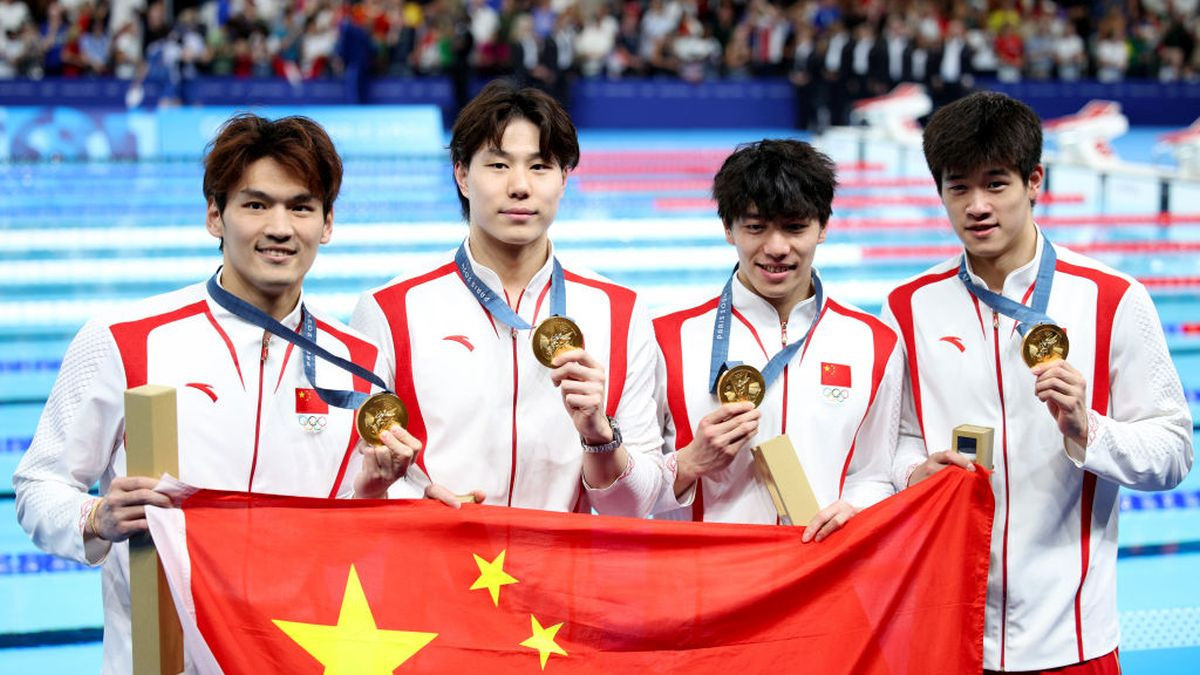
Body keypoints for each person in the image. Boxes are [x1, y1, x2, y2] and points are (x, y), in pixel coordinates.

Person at [12, 113, 415, 674]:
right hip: (161, 660)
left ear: (327, 225)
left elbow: (354, 541)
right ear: (214, 216)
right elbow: (38, 486)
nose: (280, 227)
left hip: (299, 656)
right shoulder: (124, 339)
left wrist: (372, 493)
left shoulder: (361, 363)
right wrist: (96, 515)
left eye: (301, 206)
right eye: (255, 205)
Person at [884, 91, 1193, 673]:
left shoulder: (1113, 299)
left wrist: (1089, 430)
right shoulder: (907, 306)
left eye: (996, 184)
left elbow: (1174, 453)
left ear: (1035, 182)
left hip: (1072, 640)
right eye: (959, 188)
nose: (977, 206)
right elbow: (890, 444)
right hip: (946, 630)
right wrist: (913, 473)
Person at [351, 79, 665, 515]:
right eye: (498, 165)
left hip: (560, 577)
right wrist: (409, 498)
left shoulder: (620, 312)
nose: (520, 186)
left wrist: (599, 437)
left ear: (564, 179)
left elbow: (636, 506)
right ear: (461, 174)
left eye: (540, 167)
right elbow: (350, 484)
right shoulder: (388, 309)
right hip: (435, 570)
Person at [652, 139, 900, 540]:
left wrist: (856, 509)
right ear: (728, 230)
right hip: (704, 584)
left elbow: (874, 473)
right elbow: (622, 493)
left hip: (819, 578)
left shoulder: (874, 343)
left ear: (823, 227)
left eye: (795, 227)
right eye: (756, 227)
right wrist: (686, 464)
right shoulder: (666, 338)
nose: (776, 248)